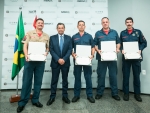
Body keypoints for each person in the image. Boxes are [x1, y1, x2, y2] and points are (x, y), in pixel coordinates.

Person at [17, 18, 49, 113]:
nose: (40, 24)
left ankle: (35, 100)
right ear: (35, 24)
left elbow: (47, 48)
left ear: (43, 25)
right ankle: (22, 102)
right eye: (39, 23)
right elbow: (25, 45)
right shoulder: (29, 33)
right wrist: (26, 55)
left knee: (38, 82)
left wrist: (46, 53)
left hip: (40, 62)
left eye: (42, 23)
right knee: (26, 82)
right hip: (29, 61)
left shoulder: (46, 36)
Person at [120, 17, 147, 102]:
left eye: (130, 22)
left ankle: (137, 94)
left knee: (136, 76)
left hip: (136, 58)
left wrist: (140, 49)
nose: (129, 23)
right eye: (127, 22)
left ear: (133, 23)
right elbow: (119, 44)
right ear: (125, 24)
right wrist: (121, 50)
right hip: (126, 58)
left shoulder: (138, 32)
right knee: (126, 76)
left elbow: (144, 43)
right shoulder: (122, 33)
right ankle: (126, 93)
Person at [94, 17, 121, 101]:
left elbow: (118, 42)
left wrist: (117, 49)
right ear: (101, 23)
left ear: (109, 23)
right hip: (102, 58)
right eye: (103, 22)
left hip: (112, 58)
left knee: (113, 76)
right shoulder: (98, 33)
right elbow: (94, 44)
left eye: (106, 22)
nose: (105, 23)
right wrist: (97, 50)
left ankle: (115, 93)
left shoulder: (114, 32)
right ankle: (99, 93)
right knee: (101, 76)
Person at [46, 23, 72, 106]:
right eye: (59, 28)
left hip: (65, 62)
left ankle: (65, 96)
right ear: (57, 29)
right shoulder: (52, 38)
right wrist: (58, 59)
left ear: (64, 29)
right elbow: (51, 50)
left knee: (65, 80)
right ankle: (52, 97)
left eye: (62, 28)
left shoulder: (69, 38)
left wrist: (64, 59)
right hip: (55, 62)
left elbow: (70, 49)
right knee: (54, 80)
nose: (60, 29)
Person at [71, 20, 95, 103]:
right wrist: (73, 54)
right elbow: (71, 48)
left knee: (88, 77)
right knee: (77, 77)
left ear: (85, 26)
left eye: (82, 25)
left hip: (87, 60)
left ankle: (90, 95)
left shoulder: (89, 36)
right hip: (77, 60)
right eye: (79, 25)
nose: (81, 26)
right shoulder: (74, 36)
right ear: (77, 27)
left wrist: (92, 55)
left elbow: (93, 47)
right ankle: (76, 95)